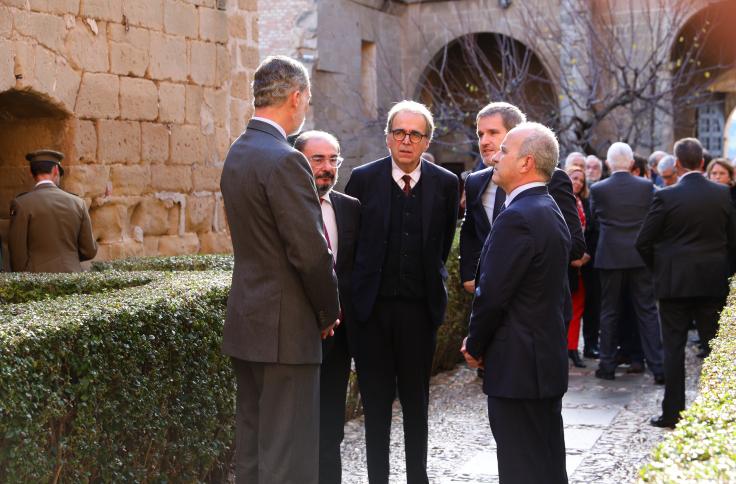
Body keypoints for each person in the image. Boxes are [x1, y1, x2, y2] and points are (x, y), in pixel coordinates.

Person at [220, 56, 340, 484]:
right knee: (288, 458)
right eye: (305, 99)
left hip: (248, 323)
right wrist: (328, 313)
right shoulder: (285, 160)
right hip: (287, 332)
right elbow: (310, 252)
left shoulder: (238, 152)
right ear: (296, 97)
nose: (305, 107)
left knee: (253, 452)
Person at [345, 100, 459, 484]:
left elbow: (442, 244)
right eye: (399, 132)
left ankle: (417, 479)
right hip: (372, 313)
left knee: (416, 402)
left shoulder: (446, 183)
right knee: (375, 405)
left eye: (415, 134)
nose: (406, 141)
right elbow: (352, 244)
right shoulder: (362, 179)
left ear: (427, 141)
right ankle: (377, 478)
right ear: (388, 137)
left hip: (419, 311)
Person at [462, 122, 571, 484]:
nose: (495, 155)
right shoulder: (547, 207)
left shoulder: (519, 216)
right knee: (546, 463)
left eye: (505, 150)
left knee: (522, 468)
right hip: (540, 361)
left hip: (519, 366)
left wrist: (475, 345)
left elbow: (492, 294)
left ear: (526, 162)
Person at [637, 138, 736, 428]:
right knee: (715, 349)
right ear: (703, 164)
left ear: (677, 165)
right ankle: (719, 413)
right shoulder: (722, 194)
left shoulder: (666, 196)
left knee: (673, 349)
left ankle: (673, 412)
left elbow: (643, 241)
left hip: (674, 284)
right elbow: (733, 241)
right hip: (712, 281)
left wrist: (661, 268)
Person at [459, 102, 585, 297]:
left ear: (516, 136)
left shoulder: (553, 179)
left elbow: (575, 245)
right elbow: (470, 231)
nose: (484, 141)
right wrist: (468, 274)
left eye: (493, 133)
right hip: (489, 296)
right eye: (480, 134)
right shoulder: (475, 182)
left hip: (538, 298)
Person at [294, 130, 361, 484]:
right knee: (294, 428)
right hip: (295, 335)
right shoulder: (286, 209)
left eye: (333, 159)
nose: (327, 167)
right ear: (298, 162)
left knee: (331, 427)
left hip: (338, 340)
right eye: (317, 159)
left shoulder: (350, 209)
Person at [590, 142, 664, 382]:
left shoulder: (599, 189)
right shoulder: (647, 187)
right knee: (648, 311)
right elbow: (654, 219)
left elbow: (595, 218)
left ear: (608, 164)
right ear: (632, 163)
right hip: (639, 256)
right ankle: (658, 367)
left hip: (610, 255)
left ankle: (608, 365)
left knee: (609, 312)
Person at [8, 150, 97, 272]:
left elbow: (17, 254)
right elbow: (89, 251)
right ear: (56, 170)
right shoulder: (78, 203)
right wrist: (70, 258)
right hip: (73, 279)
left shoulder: (21, 204)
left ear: (31, 173)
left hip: (35, 282)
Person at [566, 166, 591, 367]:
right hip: (566, 262)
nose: (578, 183)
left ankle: (572, 347)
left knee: (577, 308)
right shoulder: (561, 201)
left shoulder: (581, 202)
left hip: (581, 263)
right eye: (574, 178)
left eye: (581, 180)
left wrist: (585, 256)